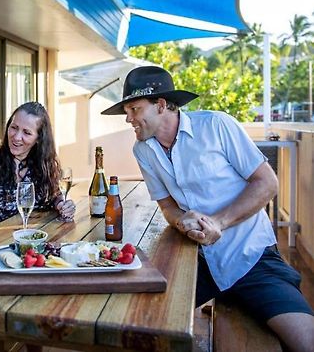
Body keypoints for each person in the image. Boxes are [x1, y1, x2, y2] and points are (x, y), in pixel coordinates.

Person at [101, 65, 314, 352]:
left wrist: (218, 222)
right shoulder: (143, 150)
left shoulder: (216, 125)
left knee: (304, 340)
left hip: (251, 259)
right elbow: (167, 207)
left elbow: (267, 183)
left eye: (134, 109)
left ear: (161, 105)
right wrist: (181, 221)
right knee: (135, 322)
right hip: (194, 263)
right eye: (127, 111)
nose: (128, 119)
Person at [0, 101, 75, 231]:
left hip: (30, 239)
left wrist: (63, 204)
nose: (16, 137)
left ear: (39, 138)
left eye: (27, 133)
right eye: (14, 127)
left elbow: (55, 196)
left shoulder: (44, 164)